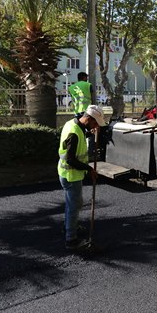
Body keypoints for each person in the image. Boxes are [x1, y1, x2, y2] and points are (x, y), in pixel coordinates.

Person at [58, 105, 106, 250]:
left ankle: (68, 226)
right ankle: (71, 239)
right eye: (95, 123)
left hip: (66, 173)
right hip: (71, 175)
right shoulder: (74, 133)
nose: (96, 125)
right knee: (74, 206)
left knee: (73, 203)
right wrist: (89, 169)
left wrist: (90, 134)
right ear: (89, 119)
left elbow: (79, 137)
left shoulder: (72, 124)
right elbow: (71, 159)